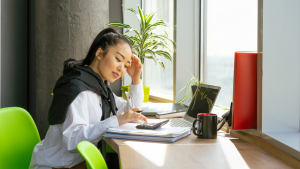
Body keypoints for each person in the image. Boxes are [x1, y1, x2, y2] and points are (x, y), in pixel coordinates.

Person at [29, 28, 147, 169]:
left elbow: (133, 112)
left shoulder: (100, 88)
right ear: (99, 53)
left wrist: (135, 79)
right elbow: (72, 140)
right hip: (54, 166)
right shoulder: (78, 89)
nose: (121, 69)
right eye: (118, 59)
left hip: (76, 164)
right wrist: (116, 120)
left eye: (126, 65)